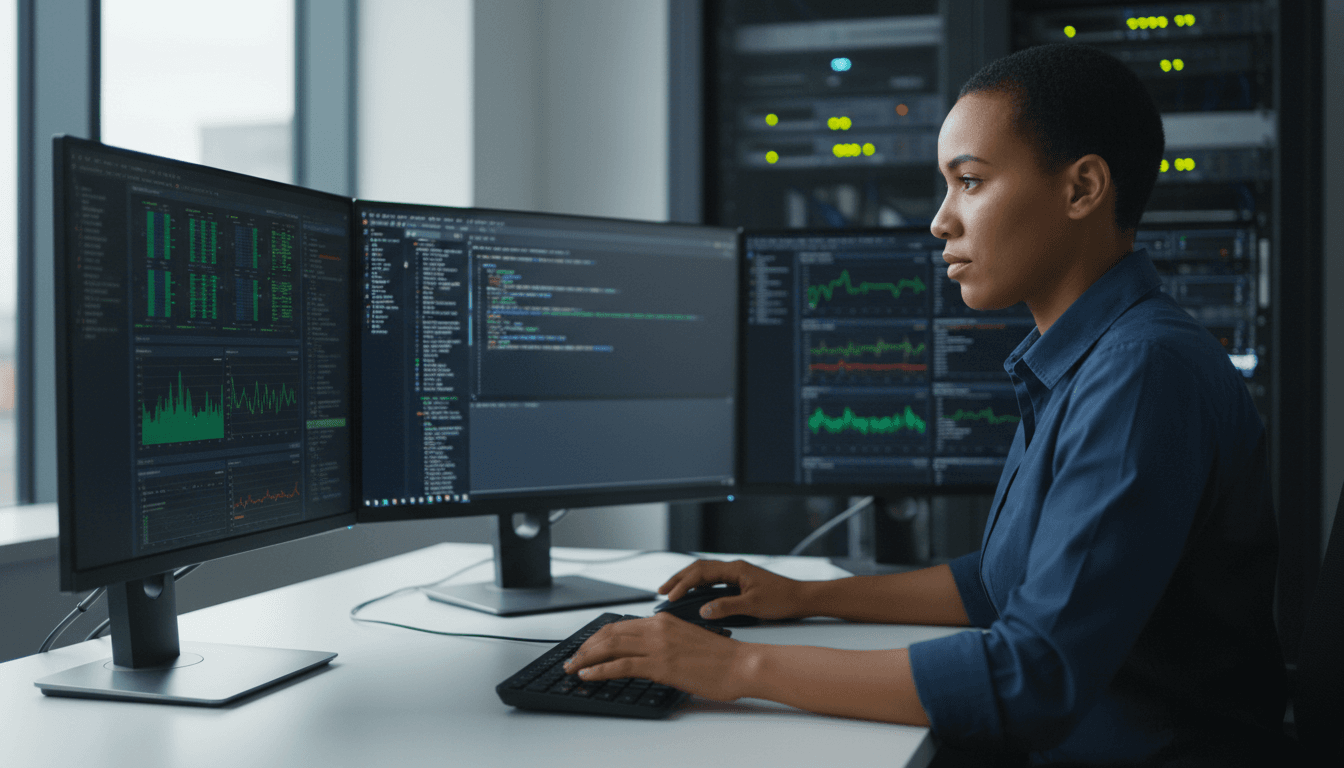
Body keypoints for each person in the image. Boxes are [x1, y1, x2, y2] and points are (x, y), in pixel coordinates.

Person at [565, 44, 1287, 766]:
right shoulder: (1090, 357)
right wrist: (804, 596)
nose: (941, 221)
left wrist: (732, 668)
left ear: (1082, 189)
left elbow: (1029, 679)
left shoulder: (1140, 373)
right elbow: (999, 581)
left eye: (969, 182)